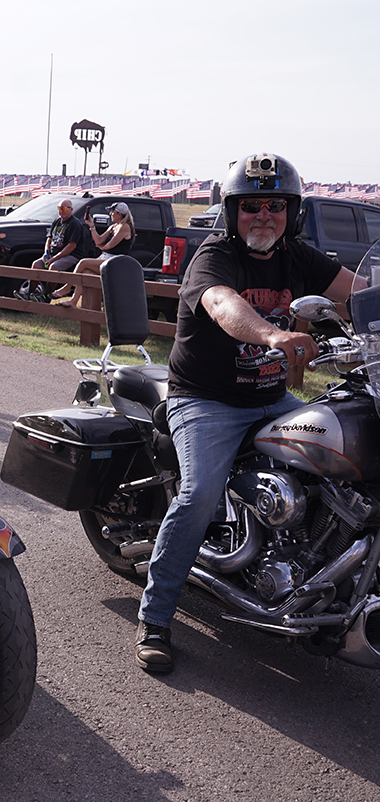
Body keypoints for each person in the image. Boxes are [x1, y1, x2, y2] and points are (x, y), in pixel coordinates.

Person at [133, 153, 356, 674]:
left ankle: (318, 585)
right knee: (200, 494)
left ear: (291, 213)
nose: (263, 216)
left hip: (270, 396)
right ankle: (157, 617)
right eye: (251, 206)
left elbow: (358, 291)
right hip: (205, 399)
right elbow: (222, 304)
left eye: (274, 206)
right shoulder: (214, 257)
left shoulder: (298, 255)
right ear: (232, 212)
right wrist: (275, 334)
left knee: (339, 459)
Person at [51, 201, 134, 303]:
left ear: (119, 214)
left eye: (112, 212)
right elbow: (98, 241)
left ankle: (67, 287)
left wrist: (102, 246)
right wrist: (92, 226)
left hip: (116, 261)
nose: (110, 214)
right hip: (105, 258)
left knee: (83, 262)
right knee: (86, 273)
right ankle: (73, 301)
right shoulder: (113, 227)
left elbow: (109, 246)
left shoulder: (125, 227)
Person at [14, 198, 90, 303]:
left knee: (53, 267)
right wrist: (46, 253)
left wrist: (54, 258)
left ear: (71, 209)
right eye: (59, 208)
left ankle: (46, 297)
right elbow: (49, 239)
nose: (61, 211)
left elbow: (71, 246)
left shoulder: (75, 224)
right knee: (36, 265)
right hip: (53, 255)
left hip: (71, 256)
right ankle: (29, 293)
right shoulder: (56, 221)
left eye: (64, 208)